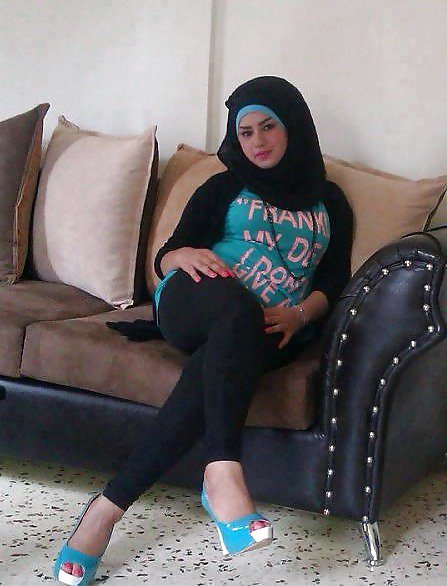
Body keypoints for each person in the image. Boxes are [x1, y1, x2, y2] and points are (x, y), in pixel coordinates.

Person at [53, 76, 353, 585]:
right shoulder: (222, 186)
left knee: (221, 357)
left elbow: (334, 279)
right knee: (235, 307)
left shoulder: (331, 202)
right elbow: (168, 254)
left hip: (271, 326)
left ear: (294, 126)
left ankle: (103, 512)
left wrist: (301, 315)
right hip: (195, 300)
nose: (257, 142)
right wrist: (182, 255)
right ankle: (222, 470)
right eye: (245, 132)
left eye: (268, 127)